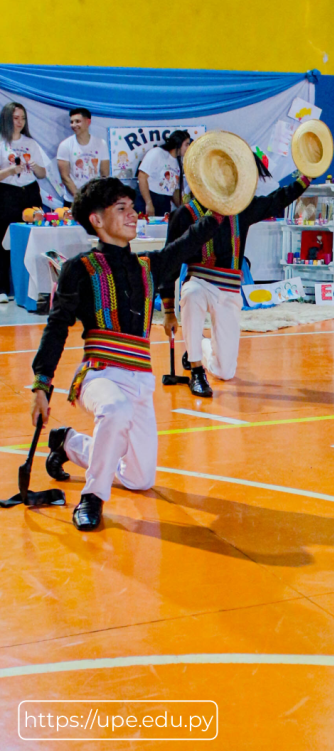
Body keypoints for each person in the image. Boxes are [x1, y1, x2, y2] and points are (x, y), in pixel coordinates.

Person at [30, 177, 227, 531]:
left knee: (139, 478)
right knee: (114, 409)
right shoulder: (80, 268)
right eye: (120, 209)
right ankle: (92, 498)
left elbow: (189, 242)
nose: (132, 215)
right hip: (99, 374)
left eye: (132, 208)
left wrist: (220, 211)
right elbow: (57, 326)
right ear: (97, 220)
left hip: (141, 380)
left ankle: (68, 442)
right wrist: (41, 384)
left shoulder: (149, 266)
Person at [159, 156, 312, 397]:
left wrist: (305, 178)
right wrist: (168, 310)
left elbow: (276, 201)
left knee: (225, 371)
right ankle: (197, 371)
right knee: (191, 294)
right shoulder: (184, 214)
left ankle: (196, 347)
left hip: (229, 289)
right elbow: (167, 263)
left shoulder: (242, 209)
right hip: (198, 281)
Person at [0, 102, 49, 304]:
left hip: (29, 192)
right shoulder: (1, 142)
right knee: (4, 241)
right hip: (6, 193)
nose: (19, 122)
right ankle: (2, 288)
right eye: (15, 118)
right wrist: (11, 171)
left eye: (23, 118)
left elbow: (43, 173)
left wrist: (36, 168)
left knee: (35, 237)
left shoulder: (31, 143)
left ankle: (37, 288)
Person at [56, 107, 109, 206]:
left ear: (88, 122)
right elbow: (65, 177)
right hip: (73, 201)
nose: (74, 125)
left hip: (95, 200)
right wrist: (79, 198)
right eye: (71, 122)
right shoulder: (65, 145)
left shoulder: (101, 144)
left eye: (77, 121)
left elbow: (104, 175)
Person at [137, 130, 191, 217]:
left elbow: (174, 190)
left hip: (165, 201)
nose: (188, 147)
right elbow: (142, 177)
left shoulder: (178, 162)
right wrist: (149, 203)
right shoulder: (157, 153)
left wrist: (184, 209)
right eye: (186, 144)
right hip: (148, 197)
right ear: (178, 143)